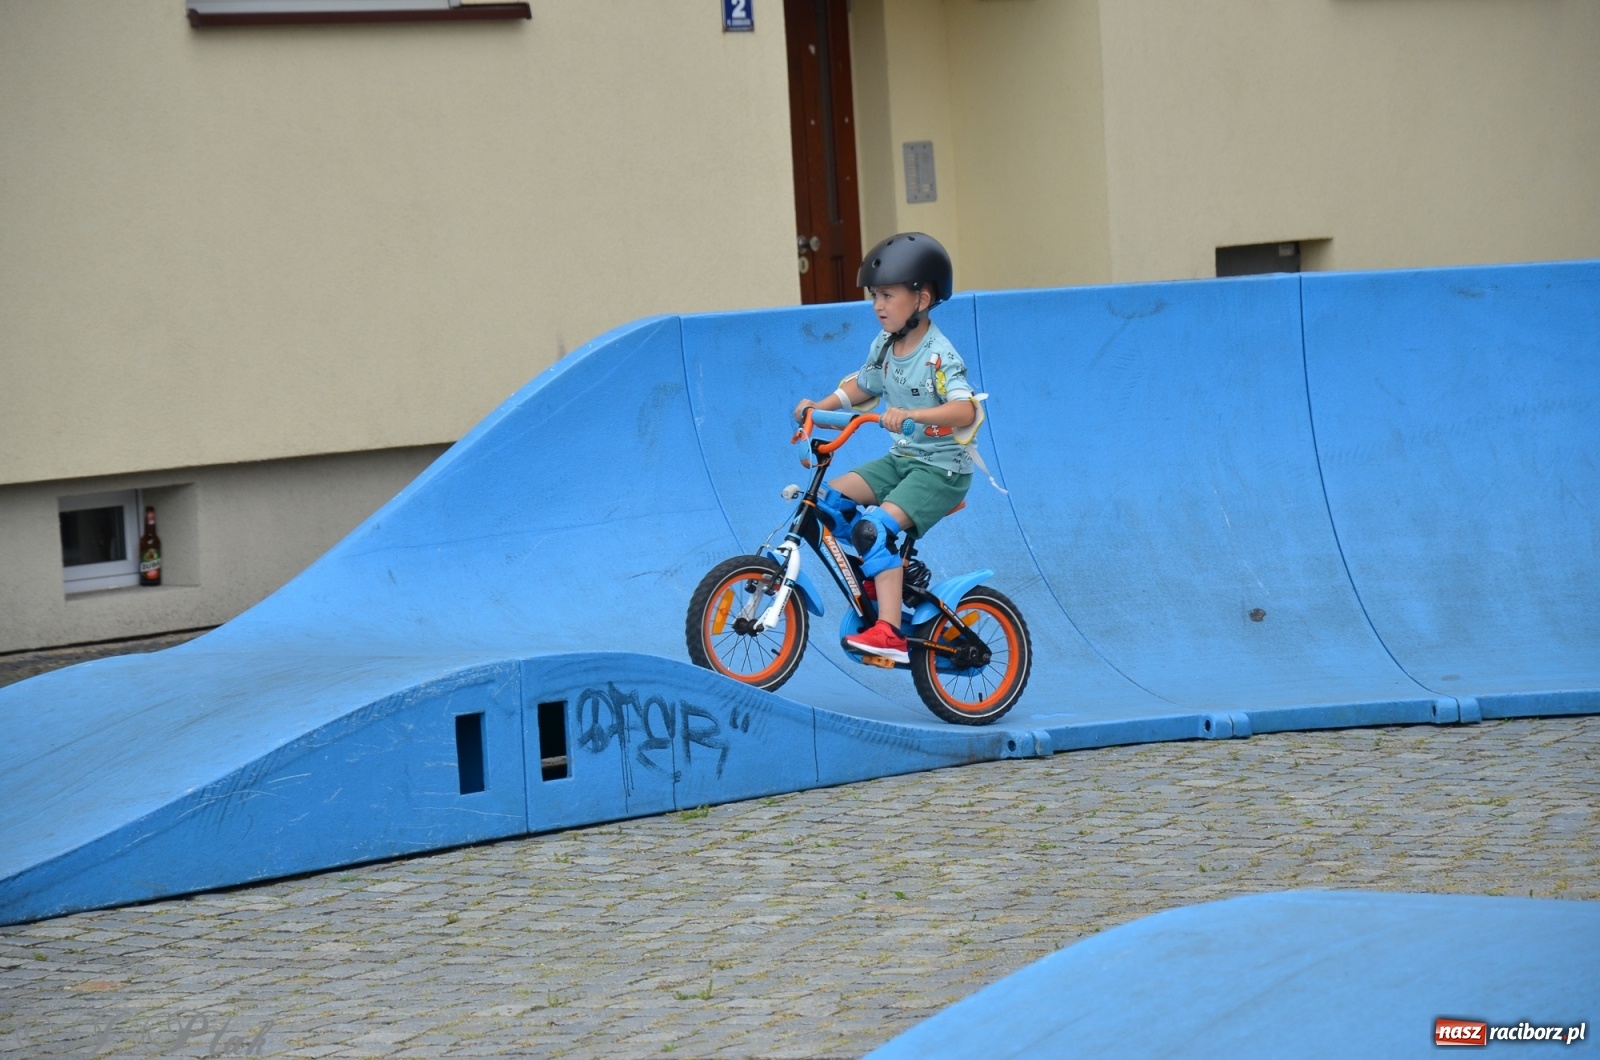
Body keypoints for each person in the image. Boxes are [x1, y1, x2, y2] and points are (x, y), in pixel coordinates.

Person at [792, 232, 979, 663]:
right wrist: (817, 408)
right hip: (903, 461)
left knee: (873, 530)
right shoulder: (886, 343)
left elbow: (965, 410)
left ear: (922, 299)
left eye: (888, 295)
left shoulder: (938, 356)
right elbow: (864, 385)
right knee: (831, 504)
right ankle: (887, 572)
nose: (878, 305)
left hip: (942, 471)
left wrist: (916, 416)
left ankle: (890, 631)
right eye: (874, 295)